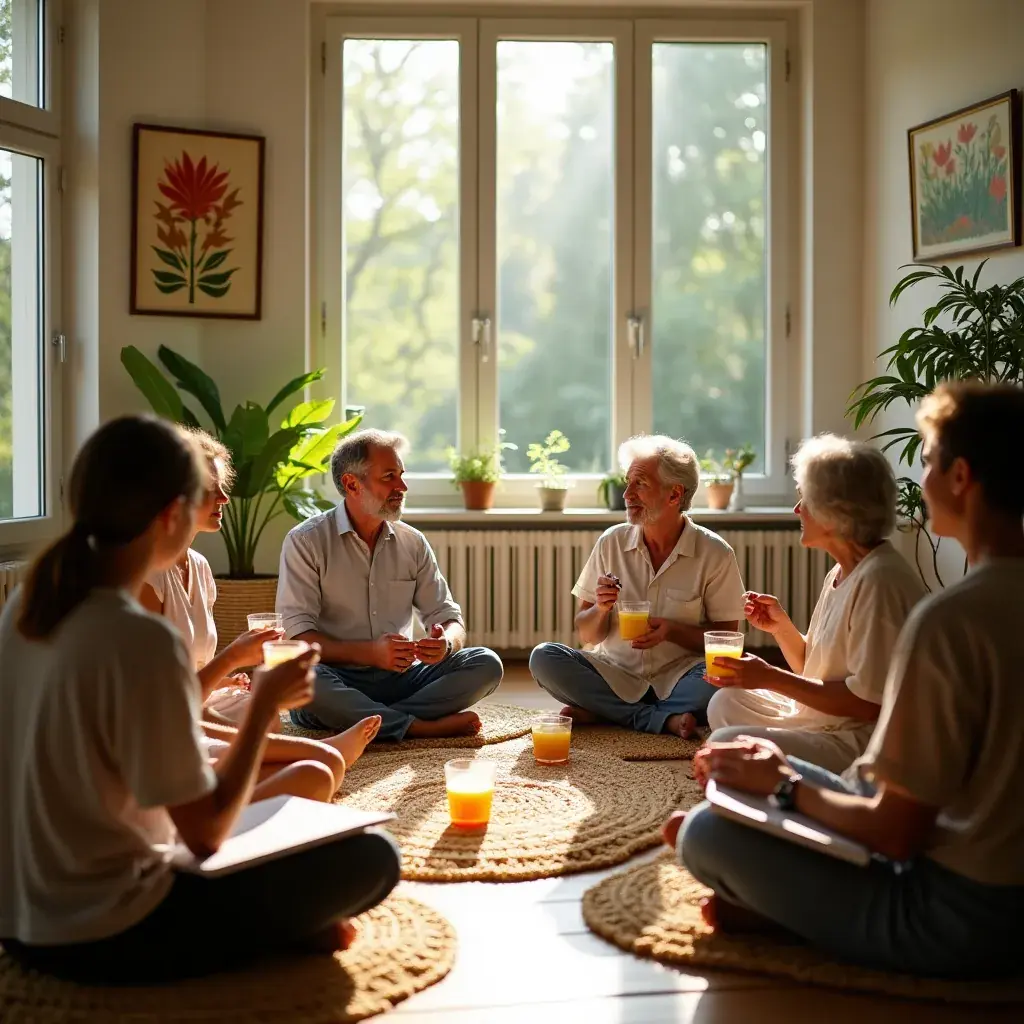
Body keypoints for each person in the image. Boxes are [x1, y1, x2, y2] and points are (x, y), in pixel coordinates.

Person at [0, 415, 400, 984]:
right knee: (372, 857)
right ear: (171, 514)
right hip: (101, 933)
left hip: (20, 921)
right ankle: (281, 930)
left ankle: (289, 922)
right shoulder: (139, 637)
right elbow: (204, 833)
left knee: (313, 817)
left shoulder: (29, 605)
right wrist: (263, 706)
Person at [668, 383, 1024, 980]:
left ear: (960, 476)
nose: (923, 480)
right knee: (735, 774)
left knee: (704, 833)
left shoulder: (950, 618)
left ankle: (778, 906)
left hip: (959, 915)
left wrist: (781, 788)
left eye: (930, 462)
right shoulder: (961, 605)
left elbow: (896, 833)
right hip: (976, 872)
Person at [139, 429, 380, 802]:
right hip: (171, 725)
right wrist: (233, 658)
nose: (224, 498)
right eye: (211, 490)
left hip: (197, 704)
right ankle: (307, 756)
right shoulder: (147, 578)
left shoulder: (200, 567)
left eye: (223, 487)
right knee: (319, 769)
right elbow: (162, 704)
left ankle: (303, 757)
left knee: (275, 719)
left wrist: (226, 679)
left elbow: (182, 672)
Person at [704, 435, 926, 773]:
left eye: (805, 500)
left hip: (857, 741)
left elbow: (867, 704)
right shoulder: (843, 569)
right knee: (725, 701)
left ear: (835, 513)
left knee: (728, 742)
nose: (797, 510)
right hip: (821, 721)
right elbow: (815, 670)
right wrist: (782, 628)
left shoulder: (880, 581)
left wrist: (769, 677)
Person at [278, 428, 503, 741]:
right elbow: (298, 640)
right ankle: (417, 726)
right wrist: (371, 653)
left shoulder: (413, 543)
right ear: (351, 484)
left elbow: (449, 618)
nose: (402, 486)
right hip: (335, 676)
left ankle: (370, 719)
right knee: (302, 677)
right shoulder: (305, 541)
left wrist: (445, 644)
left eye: (401, 475)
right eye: (389, 477)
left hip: (402, 677)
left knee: (485, 663)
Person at [530, 435, 745, 738]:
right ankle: (660, 719)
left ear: (674, 495)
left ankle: (606, 711)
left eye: (640, 484)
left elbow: (726, 642)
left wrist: (672, 630)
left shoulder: (716, 553)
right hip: (615, 673)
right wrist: (602, 608)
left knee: (721, 681)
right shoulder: (611, 542)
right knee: (544, 658)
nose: (627, 494)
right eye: (627, 482)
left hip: (681, 677)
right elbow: (587, 633)